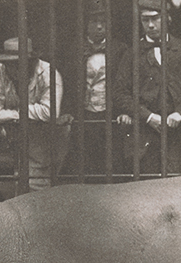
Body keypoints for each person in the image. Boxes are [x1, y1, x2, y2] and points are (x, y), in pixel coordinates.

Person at [114, 0, 181, 175]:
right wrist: (147, 116)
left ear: (167, 19)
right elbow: (119, 92)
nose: (150, 25)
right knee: (146, 186)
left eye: (156, 19)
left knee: (176, 182)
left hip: (177, 132)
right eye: (145, 20)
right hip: (144, 132)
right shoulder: (132, 52)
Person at [0, 37, 70, 193]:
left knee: (39, 183)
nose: (13, 68)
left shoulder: (48, 73)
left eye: (18, 63)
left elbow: (50, 112)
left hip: (46, 135)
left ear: (31, 61)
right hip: (17, 135)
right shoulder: (0, 71)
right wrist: (22, 115)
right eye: (10, 63)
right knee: (20, 180)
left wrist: (13, 113)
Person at [75, 0, 127, 180]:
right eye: (93, 22)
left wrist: (123, 112)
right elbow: (68, 81)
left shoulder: (120, 49)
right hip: (84, 113)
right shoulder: (75, 49)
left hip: (110, 112)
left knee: (113, 159)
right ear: (85, 25)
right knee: (85, 160)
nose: (99, 27)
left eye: (103, 22)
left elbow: (125, 84)